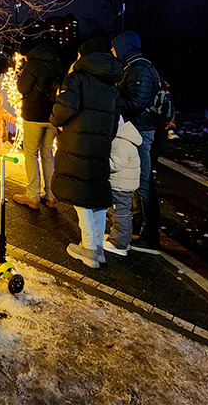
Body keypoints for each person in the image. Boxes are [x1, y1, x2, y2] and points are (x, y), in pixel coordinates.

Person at [50, 37, 123, 268]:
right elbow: (114, 122)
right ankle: (98, 249)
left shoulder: (77, 79)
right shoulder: (111, 87)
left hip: (77, 142)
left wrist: (56, 120)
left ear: (85, 56)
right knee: (96, 194)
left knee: (80, 192)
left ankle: (89, 248)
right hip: (100, 145)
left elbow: (64, 108)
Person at [111, 31, 162, 254]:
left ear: (124, 46)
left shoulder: (139, 68)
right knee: (136, 181)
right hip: (137, 131)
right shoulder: (133, 66)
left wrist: (112, 96)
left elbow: (136, 102)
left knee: (142, 182)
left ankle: (151, 236)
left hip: (141, 132)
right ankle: (139, 226)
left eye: (115, 47)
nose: (112, 51)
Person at [13, 37, 63, 210]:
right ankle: (51, 196)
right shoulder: (56, 61)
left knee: (30, 153)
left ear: (27, 53)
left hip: (34, 115)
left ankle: (32, 195)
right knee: (47, 153)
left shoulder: (33, 65)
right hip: (52, 115)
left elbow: (22, 88)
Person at [104, 115, 141, 257]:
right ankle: (122, 239)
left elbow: (115, 164)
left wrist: (101, 160)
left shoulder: (120, 143)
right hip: (124, 185)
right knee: (121, 212)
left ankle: (119, 244)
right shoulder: (126, 140)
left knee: (119, 214)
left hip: (120, 186)